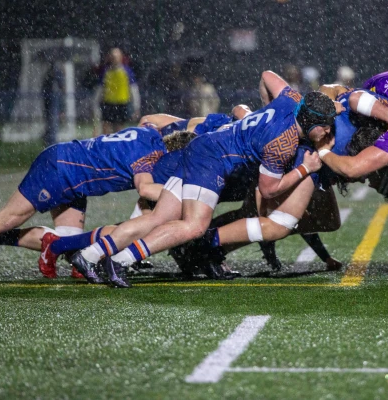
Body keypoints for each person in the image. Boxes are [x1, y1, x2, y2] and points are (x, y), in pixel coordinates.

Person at [69, 71, 335, 283]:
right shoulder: (284, 143)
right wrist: (305, 169)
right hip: (213, 161)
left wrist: (263, 112)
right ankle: (119, 262)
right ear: (311, 124)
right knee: (194, 226)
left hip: (202, 147)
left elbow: (267, 75)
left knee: (159, 218)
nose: (327, 133)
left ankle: (90, 255)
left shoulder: (291, 98)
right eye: (324, 127)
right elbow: (268, 190)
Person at [0, 124, 170, 280]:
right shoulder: (151, 157)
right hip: (59, 170)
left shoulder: (151, 133)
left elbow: (156, 119)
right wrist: (177, 198)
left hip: (74, 175)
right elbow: (146, 188)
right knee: (5, 219)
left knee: (67, 245)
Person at [95, 48, 141, 135]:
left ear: (120, 57)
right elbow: (100, 88)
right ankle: (106, 146)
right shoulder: (106, 72)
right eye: (112, 56)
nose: (114, 58)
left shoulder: (127, 71)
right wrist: (95, 103)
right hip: (108, 102)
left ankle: (117, 146)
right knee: (106, 126)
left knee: (119, 128)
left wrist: (136, 106)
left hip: (121, 103)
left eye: (116, 56)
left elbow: (134, 89)